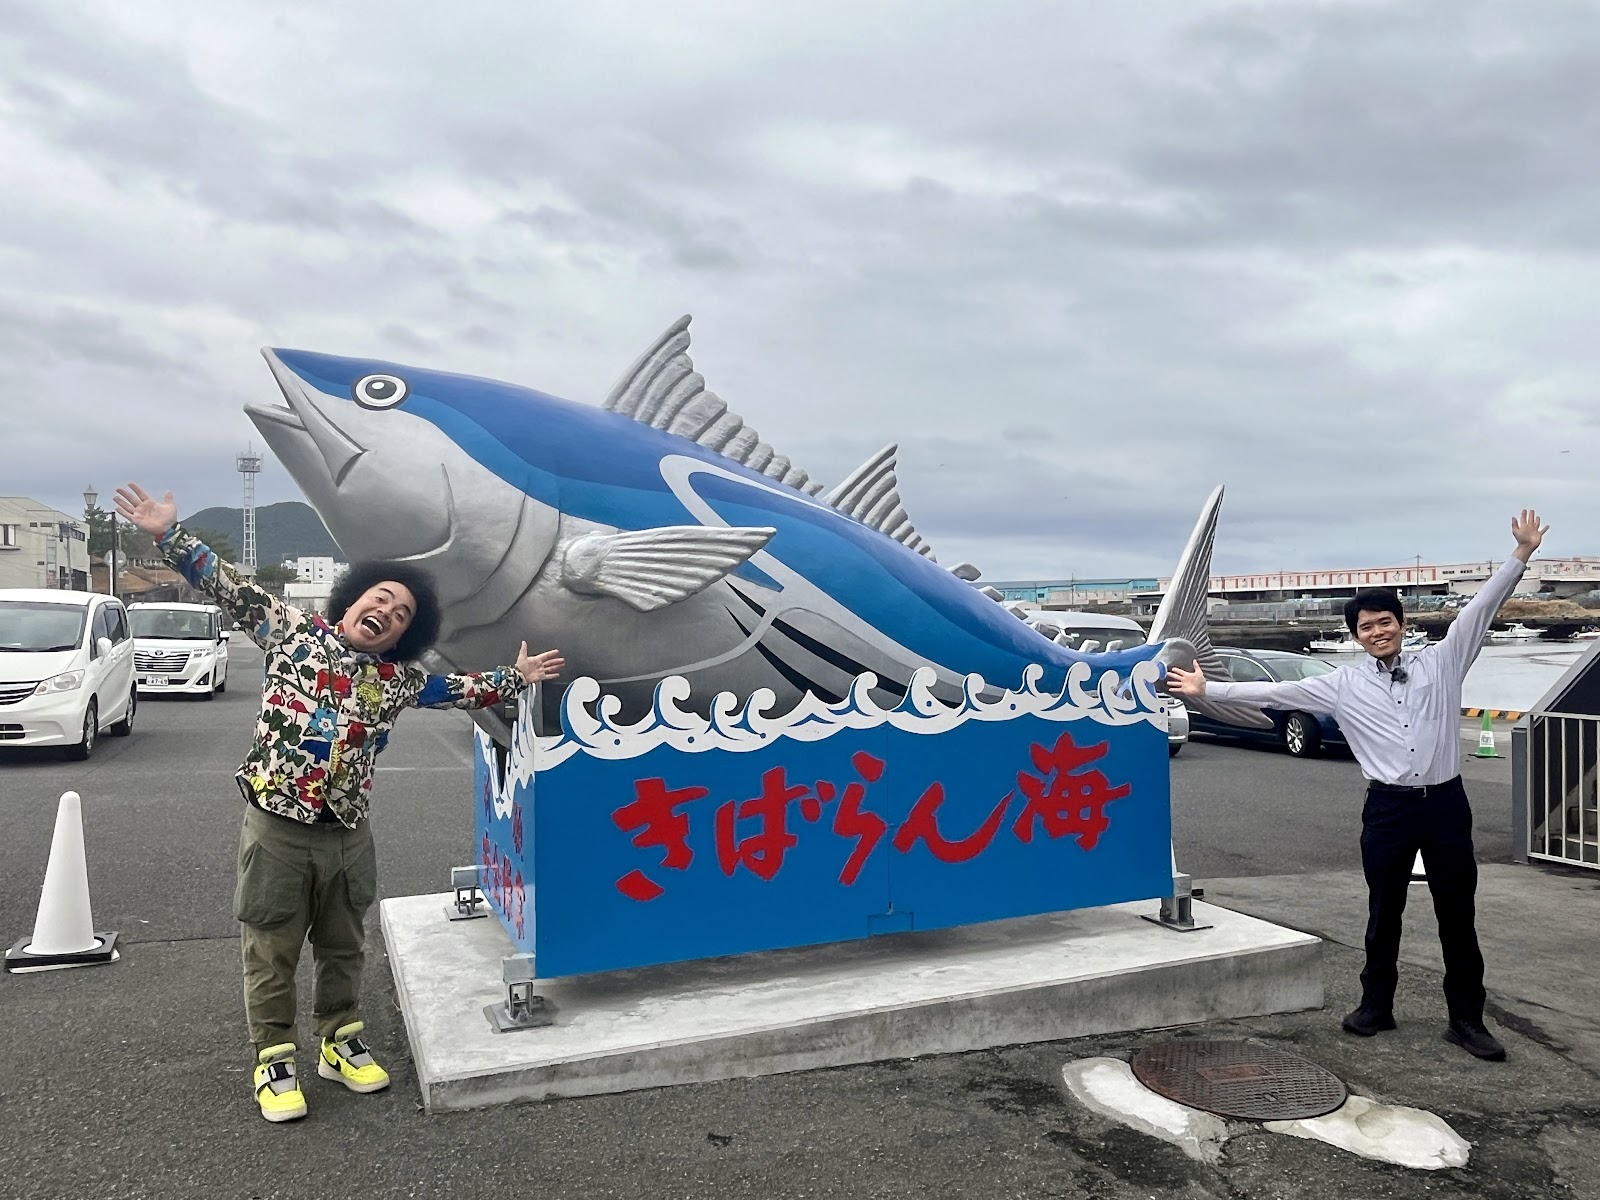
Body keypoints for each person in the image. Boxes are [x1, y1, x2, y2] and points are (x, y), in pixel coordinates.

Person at [114, 482, 565, 1123]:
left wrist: (517, 677)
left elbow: (459, 689)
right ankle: (275, 1058)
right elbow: (225, 584)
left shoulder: (398, 680)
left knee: (344, 943)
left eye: (402, 613)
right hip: (277, 828)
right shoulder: (290, 632)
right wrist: (168, 533)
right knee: (271, 948)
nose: (387, 611)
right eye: (380, 597)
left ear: (404, 635)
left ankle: (339, 1040)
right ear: (352, 599)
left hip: (349, 833)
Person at [1166, 509, 1548, 1063]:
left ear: (1402, 624)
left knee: (1457, 915)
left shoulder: (1444, 662)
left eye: (1385, 622)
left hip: (1445, 804)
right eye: (1366, 628)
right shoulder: (1341, 684)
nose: (1377, 632)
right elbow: (1272, 695)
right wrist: (1207, 692)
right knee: (1383, 910)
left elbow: (1481, 608)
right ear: (1356, 636)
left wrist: (1521, 554)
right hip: (1388, 808)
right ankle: (1376, 1006)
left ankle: (1466, 1019)